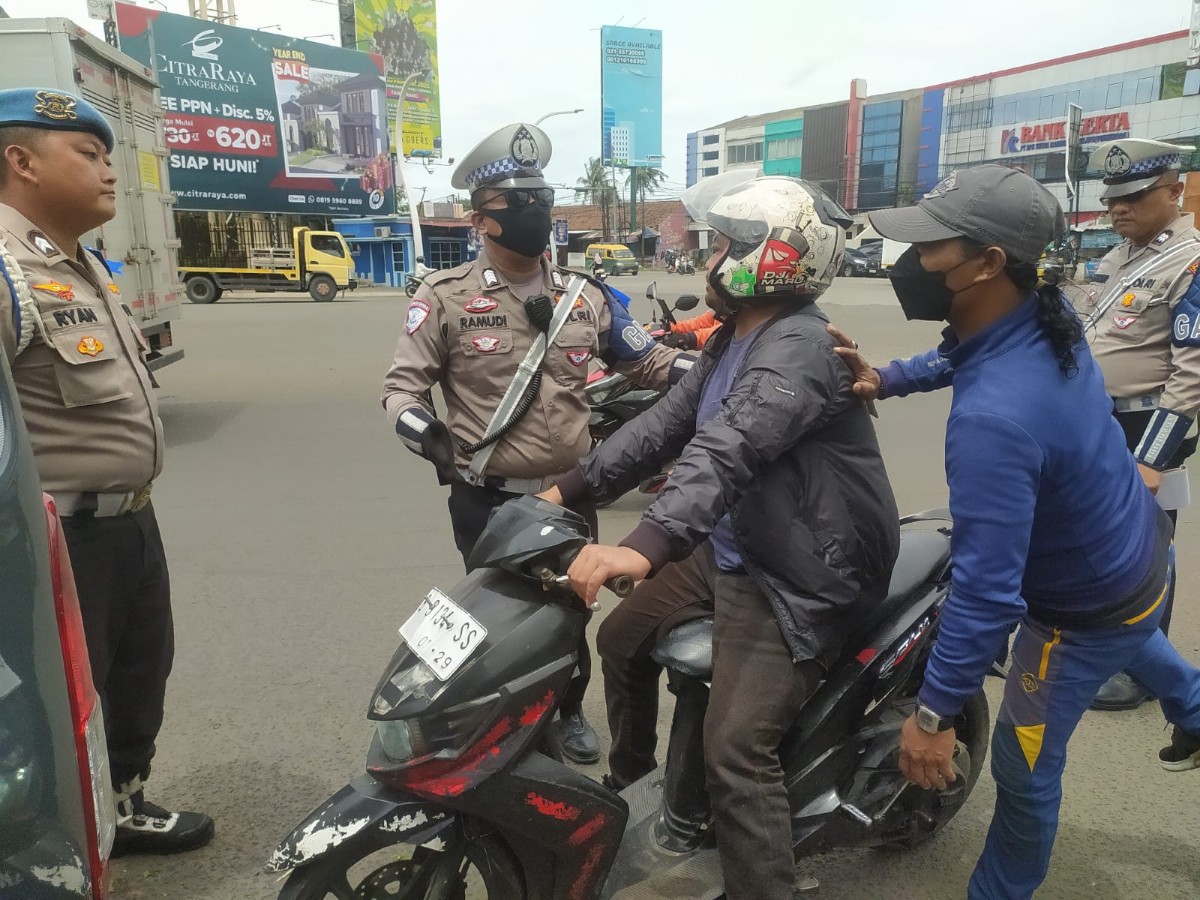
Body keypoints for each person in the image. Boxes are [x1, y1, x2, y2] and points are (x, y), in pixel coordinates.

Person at [832, 164, 1200, 898]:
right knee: (1138, 635)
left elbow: (988, 591)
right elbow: (966, 350)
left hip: (1080, 612)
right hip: (1138, 552)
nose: (911, 261)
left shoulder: (994, 421)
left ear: (988, 263)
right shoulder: (1043, 314)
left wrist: (935, 713)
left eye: (929, 246)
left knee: (1023, 769)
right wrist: (889, 377)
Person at [539, 171, 900, 900]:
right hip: (736, 542)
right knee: (621, 642)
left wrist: (643, 544)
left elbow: (729, 446)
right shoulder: (733, 337)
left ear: (772, 258)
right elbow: (662, 428)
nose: (710, 259)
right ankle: (638, 791)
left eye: (725, 245)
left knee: (735, 750)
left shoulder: (798, 346)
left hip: (797, 567)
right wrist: (563, 491)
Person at [381, 122, 688, 765]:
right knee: (492, 618)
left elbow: (650, 363)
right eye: (518, 203)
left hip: (569, 498)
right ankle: (496, 721)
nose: (536, 213)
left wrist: (727, 366)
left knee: (570, 610)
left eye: (542, 199)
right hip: (488, 499)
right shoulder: (445, 298)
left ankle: (565, 710)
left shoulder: (584, 295)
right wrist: (426, 434)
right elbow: (401, 390)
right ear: (480, 220)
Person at [0, 88, 212, 854]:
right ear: (21, 162)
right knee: (58, 695)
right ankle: (52, 838)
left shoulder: (85, 265)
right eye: (88, 154)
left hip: (130, 521)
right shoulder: (7, 269)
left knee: (138, 670)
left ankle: (123, 803)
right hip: (60, 537)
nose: (109, 171)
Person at [1075, 138, 1200, 710]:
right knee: (1093, 544)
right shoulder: (1121, 257)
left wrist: (1153, 458)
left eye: (1134, 197)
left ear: (1174, 192)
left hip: (1147, 428)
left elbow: (1191, 375)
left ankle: (1144, 673)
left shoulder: (1190, 262)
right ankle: (1101, 646)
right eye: (1112, 199)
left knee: (1147, 552)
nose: (1118, 209)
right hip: (1100, 422)